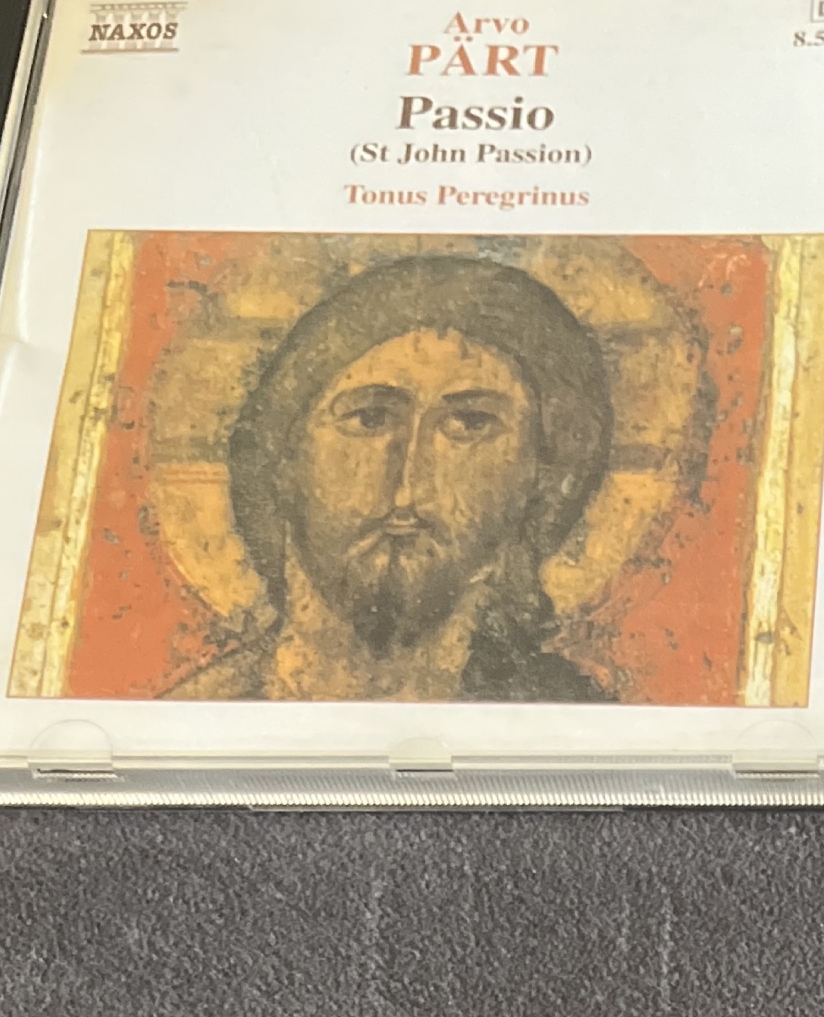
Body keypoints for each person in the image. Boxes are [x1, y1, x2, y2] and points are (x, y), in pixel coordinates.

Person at [164, 255, 615, 703]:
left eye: (470, 423)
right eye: (370, 418)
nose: (409, 480)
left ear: (540, 477)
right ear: (283, 460)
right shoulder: (198, 714)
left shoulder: (573, 716)